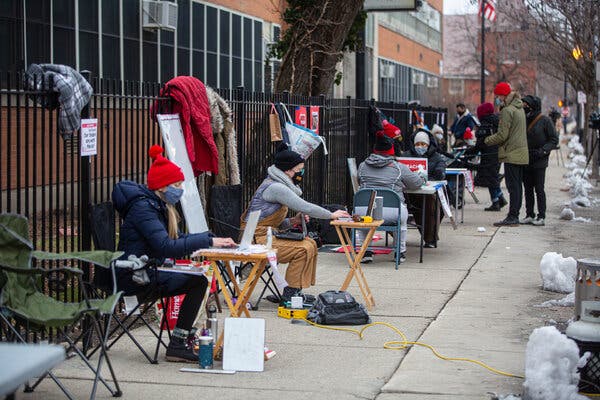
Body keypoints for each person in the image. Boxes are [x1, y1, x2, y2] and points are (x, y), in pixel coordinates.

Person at [112, 145, 236, 363]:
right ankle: (178, 343)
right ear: (162, 187)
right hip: (133, 276)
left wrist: (207, 238)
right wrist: (208, 241)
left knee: (198, 278)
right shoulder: (144, 209)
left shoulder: (157, 205)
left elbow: (175, 240)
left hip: (145, 269)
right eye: (177, 185)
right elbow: (166, 247)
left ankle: (182, 340)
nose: (180, 190)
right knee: (197, 282)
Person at [242, 144, 350, 303]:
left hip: (266, 235)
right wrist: (331, 215)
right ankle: (290, 294)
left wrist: (293, 221)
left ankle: (295, 290)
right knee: (302, 250)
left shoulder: (277, 183)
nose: (301, 173)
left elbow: (273, 223)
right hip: (256, 241)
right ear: (287, 171)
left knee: (310, 244)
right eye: (299, 170)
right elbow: (304, 206)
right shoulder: (276, 187)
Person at [357, 131, 425, 263]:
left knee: (365, 217)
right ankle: (400, 252)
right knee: (402, 219)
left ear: (375, 150)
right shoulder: (399, 168)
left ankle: (366, 251)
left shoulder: (362, 166)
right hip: (392, 212)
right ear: (391, 151)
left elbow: (361, 182)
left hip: (364, 210)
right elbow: (416, 183)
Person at [484, 82, 528, 227]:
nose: (497, 98)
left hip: (512, 153)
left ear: (503, 95)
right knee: (517, 186)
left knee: (512, 186)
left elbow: (502, 135)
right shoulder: (519, 108)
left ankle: (512, 216)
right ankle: (514, 214)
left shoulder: (507, 111)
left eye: (497, 95)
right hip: (520, 152)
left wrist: (487, 140)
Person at [520, 95, 559, 226]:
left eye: (526, 104)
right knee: (528, 189)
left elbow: (554, 139)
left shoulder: (545, 120)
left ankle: (541, 216)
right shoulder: (524, 119)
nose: (524, 107)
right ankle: (529, 214)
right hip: (526, 158)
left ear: (533, 106)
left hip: (540, 159)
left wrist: (543, 150)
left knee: (539, 189)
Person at [404, 129, 446, 248]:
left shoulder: (437, 157)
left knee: (431, 204)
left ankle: (430, 238)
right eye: (417, 144)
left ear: (428, 145)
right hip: (409, 194)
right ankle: (429, 237)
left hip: (429, 194)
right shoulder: (406, 156)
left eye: (423, 144)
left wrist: (439, 172)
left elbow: (441, 169)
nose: (420, 147)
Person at [465, 102, 507, 211]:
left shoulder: (485, 125)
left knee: (490, 179)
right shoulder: (497, 121)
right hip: (498, 154)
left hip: (488, 155)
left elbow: (480, 144)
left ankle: (496, 202)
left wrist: (469, 153)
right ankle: (500, 198)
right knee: (493, 177)